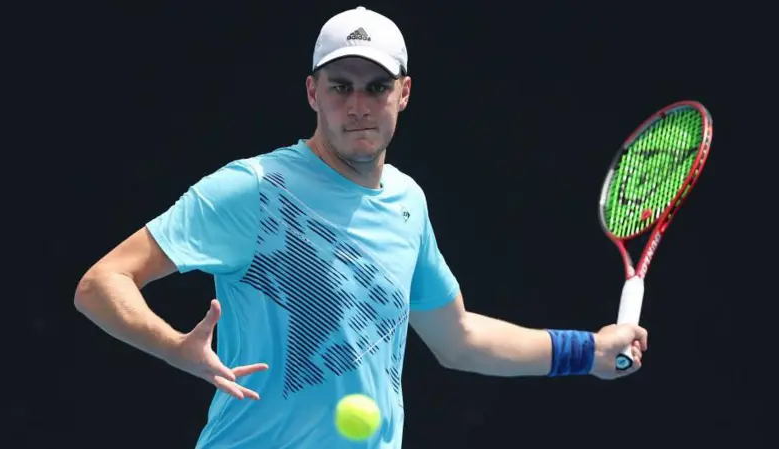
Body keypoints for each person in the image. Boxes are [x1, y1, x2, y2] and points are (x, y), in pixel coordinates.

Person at [74, 6, 648, 449]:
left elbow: (459, 339)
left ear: (404, 93)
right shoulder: (252, 187)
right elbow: (101, 283)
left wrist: (588, 351)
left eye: (376, 87)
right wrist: (175, 348)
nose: (358, 105)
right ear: (312, 92)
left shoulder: (408, 203)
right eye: (340, 86)